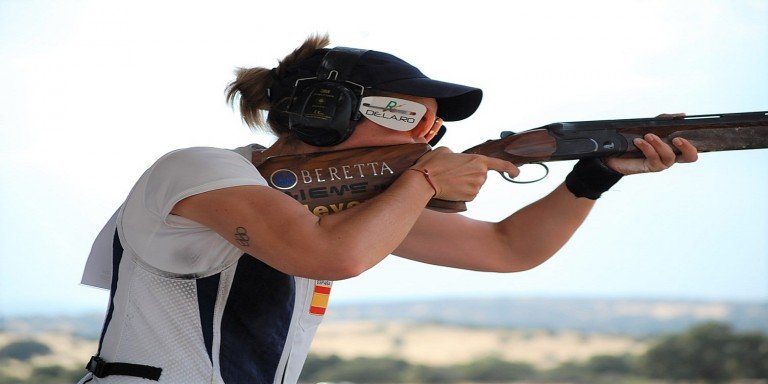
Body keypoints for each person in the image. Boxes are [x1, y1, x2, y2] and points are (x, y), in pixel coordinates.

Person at [78, 34, 698, 383]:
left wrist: (593, 178)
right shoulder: (200, 167)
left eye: (431, 124)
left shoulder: (357, 200)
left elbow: (510, 250)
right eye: (406, 114)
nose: (425, 134)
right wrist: (423, 182)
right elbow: (332, 257)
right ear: (326, 111)